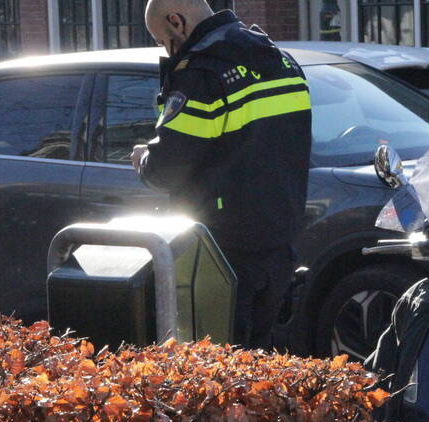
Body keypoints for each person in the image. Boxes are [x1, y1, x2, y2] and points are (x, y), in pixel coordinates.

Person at [131, 0, 312, 348]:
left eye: (162, 40)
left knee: (220, 372)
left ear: (176, 21)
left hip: (222, 252)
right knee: (262, 365)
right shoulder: (278, 59)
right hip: (279, 240)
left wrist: (145, 161)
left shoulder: (203, 72)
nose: (166, 50)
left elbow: (169, 167)